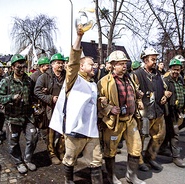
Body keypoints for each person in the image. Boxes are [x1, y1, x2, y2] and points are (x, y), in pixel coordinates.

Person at [49, 27, 103, 184]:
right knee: (70, 158)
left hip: (91, 130)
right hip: (74, 129)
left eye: (94, 65)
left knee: (96, 160)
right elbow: (73, 60)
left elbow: (93, 104)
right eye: (90, 65)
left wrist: (105, 106)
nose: (94, 67)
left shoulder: (93, 84)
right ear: (81, 67)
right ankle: (69, 180)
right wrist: (79, 37)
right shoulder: (73, 79)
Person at [98, 50, 145, 184]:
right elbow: (97, 101)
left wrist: (138, 98)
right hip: (114, 122)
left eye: (125, 63)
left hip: (130, 120)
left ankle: (132, 176)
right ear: (112, 65)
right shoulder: (104, 82)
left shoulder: (130, 78)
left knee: (136, 147)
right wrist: (109, 108)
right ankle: (111, 177)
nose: (124, 66)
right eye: (120, 64)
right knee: (110, 150)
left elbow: (135, 94)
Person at [0, 54, 38, 174]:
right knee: (13, 143)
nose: (21, 69)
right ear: (13, 67)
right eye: (18, 67)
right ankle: (18, 162)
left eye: (23, 67)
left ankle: (28, 159)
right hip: (12, 118)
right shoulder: (6, 81)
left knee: (33, 137)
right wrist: (11, 97)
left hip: (27, 116)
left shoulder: (28, 80)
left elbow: (32, 95)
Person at [132, 47, 170, 171]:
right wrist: (138, 100)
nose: (155, 62)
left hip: (158, 110)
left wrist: (165, 95)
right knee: (141, 137)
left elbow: (164, 87)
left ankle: (150, 157)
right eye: (152, 59)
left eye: (155, 59)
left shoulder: (158, 74)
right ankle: (139, 160)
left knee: (159, 136)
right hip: (144, 113)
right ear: (145, 60)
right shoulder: (137, 74)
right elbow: (132, 91)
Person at [162, 58, 185, 168]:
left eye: (178, 69)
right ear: (170, 69)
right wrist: (164, 94)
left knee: (169, 132)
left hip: (177, 111)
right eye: (174, 69)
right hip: (169, 111)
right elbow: (158, 93)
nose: (176, 71)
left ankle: (162, 149)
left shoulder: (180, 80)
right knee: (175, 134)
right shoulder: (166, 80)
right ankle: (176, 157)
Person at [34, 54, 66, 165]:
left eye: (62, 62)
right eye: (58, 62)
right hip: (51, 108)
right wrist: (51, 98)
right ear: (52, 64)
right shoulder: (44, 77)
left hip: (64, 107)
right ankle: (52, 153)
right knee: (50, 132)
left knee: (63, 131)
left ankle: (61, 151)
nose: (61, 65)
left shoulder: (66, 75)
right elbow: (37, 91)